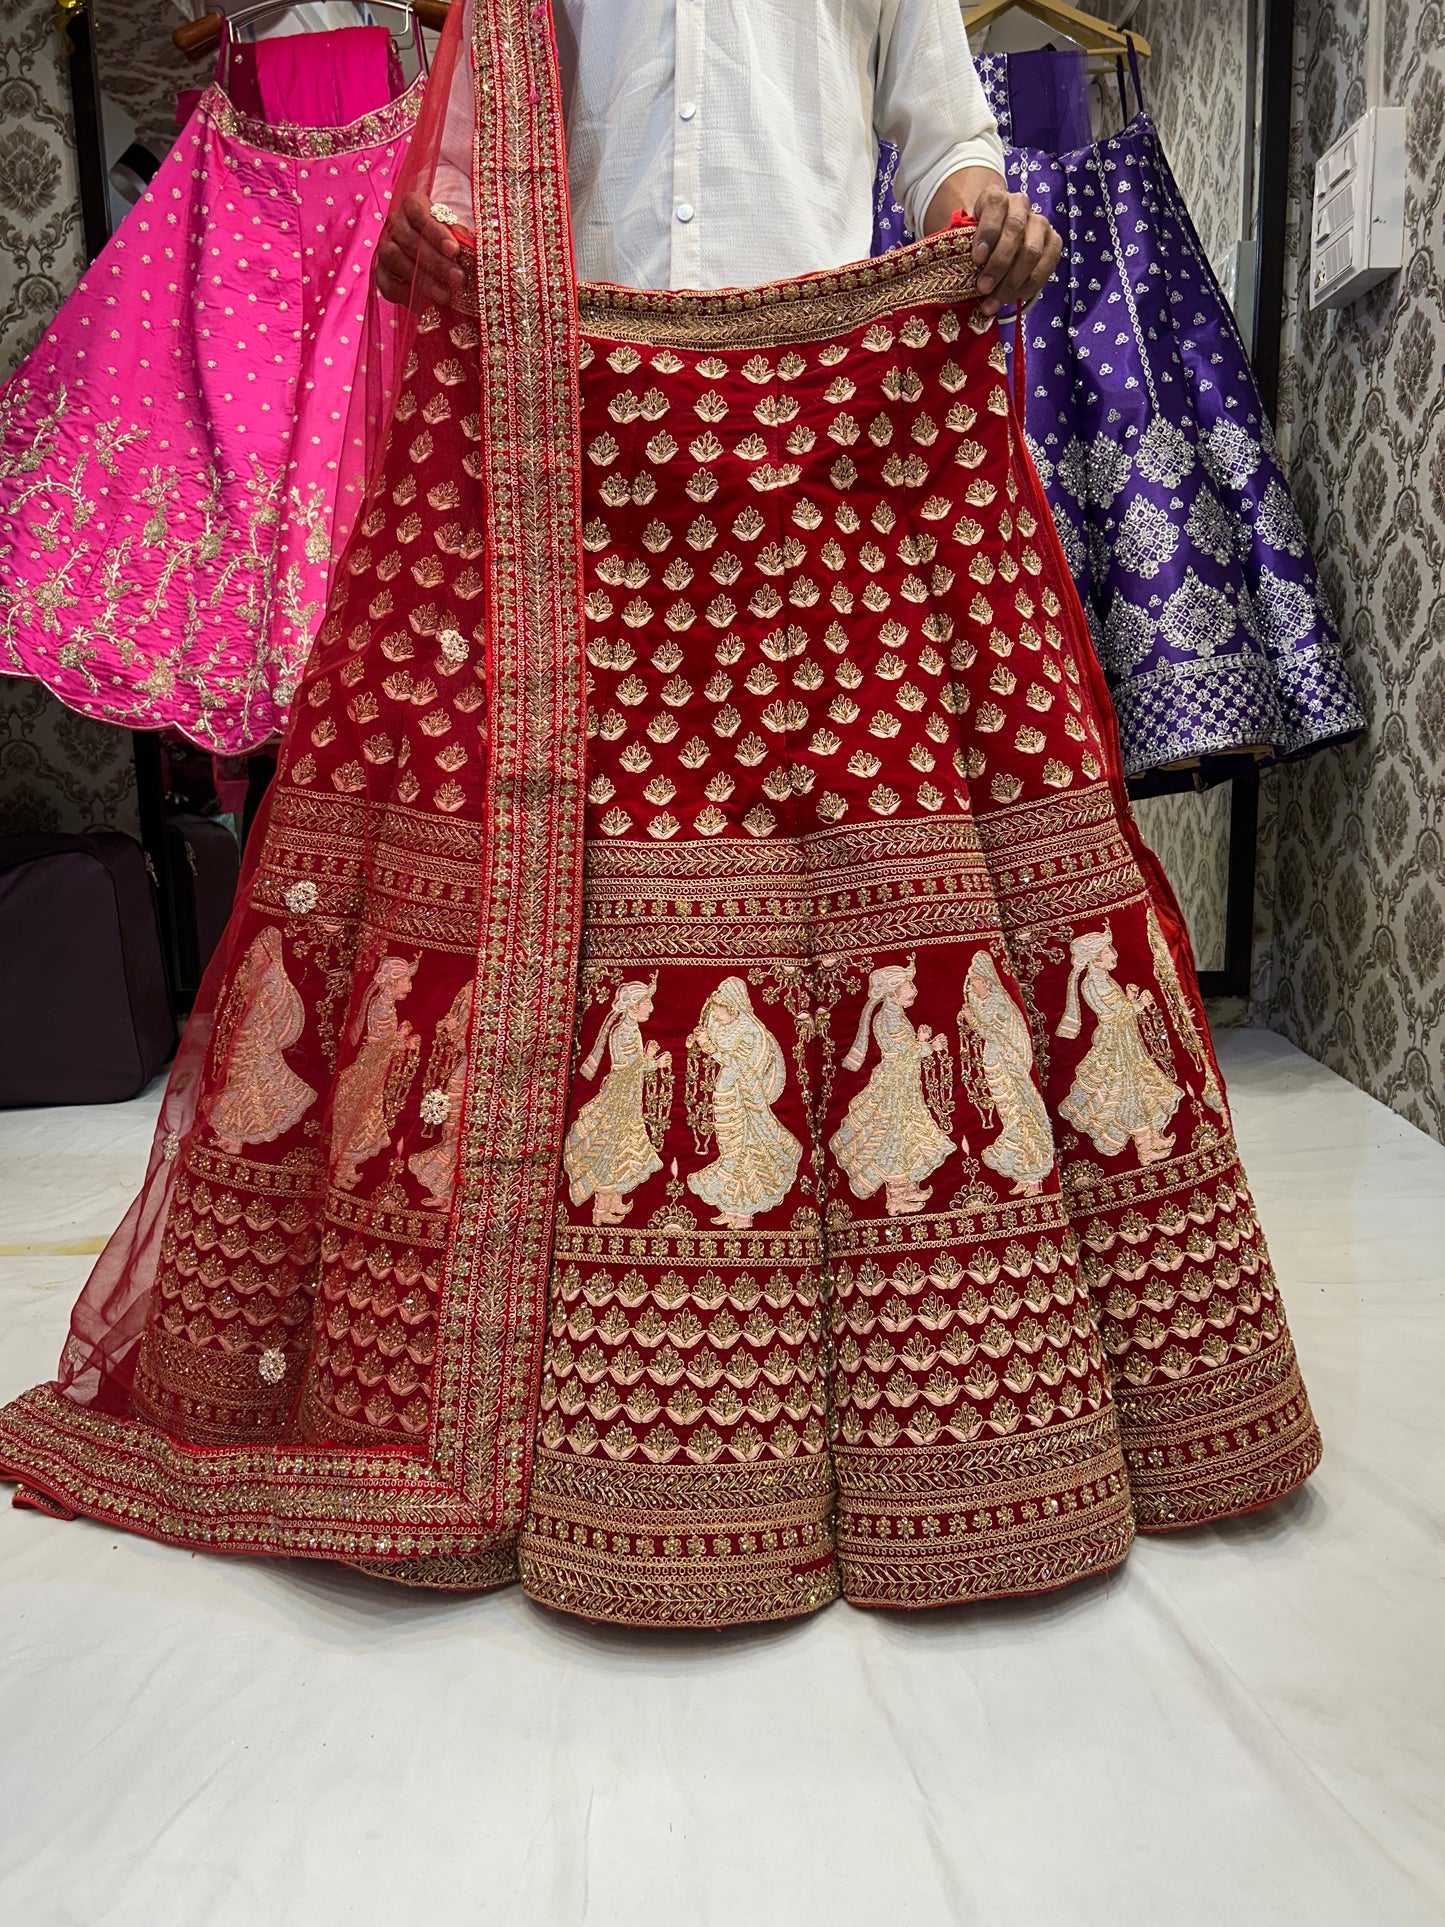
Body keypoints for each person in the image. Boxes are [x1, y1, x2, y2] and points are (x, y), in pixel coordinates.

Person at [0, 0, 1321, 1625]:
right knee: (589, 895)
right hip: (580, 432)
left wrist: (976, 220)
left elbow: (942, 129)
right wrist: (445, 242)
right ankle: (566, 1432)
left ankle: (931, 1430)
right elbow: (487, 147)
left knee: (860, 879)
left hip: (835, 420)